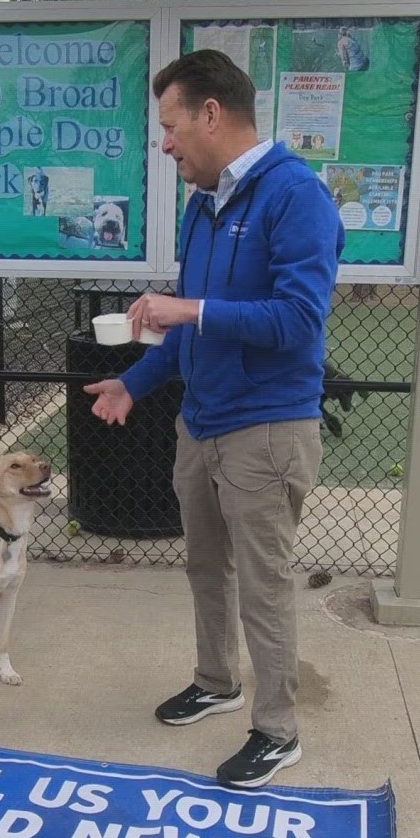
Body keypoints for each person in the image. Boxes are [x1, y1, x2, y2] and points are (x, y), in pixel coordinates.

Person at [82, 49, 343, 789]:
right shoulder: (205, 204)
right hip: (201, 422)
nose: (165, 144)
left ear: (211, 114)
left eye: (170, 126)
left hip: (267, 430)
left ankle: (278, 728)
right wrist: (135, 382)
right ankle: (216, 680)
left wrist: (189, 307)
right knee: (204, 565)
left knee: (263, 583)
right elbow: (189, 329)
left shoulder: (296, 196)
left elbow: (299, 319)